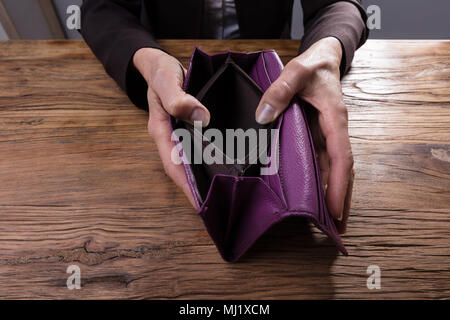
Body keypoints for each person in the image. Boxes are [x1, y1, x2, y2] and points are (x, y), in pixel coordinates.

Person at [80, 0, 368, 233]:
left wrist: (328, 47)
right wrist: (146, 59)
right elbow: (102, 8)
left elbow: (338, 5)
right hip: (170, 76)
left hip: (275, 81)